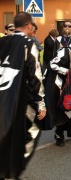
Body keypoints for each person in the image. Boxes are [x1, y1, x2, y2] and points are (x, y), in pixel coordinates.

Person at [0, 12, 46, 179]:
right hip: (16, 99)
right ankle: (14, 170)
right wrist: (40, 103)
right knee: (32, 129)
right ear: (28, 26)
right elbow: (35, 75)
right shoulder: (28, 43)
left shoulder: (3, 41)